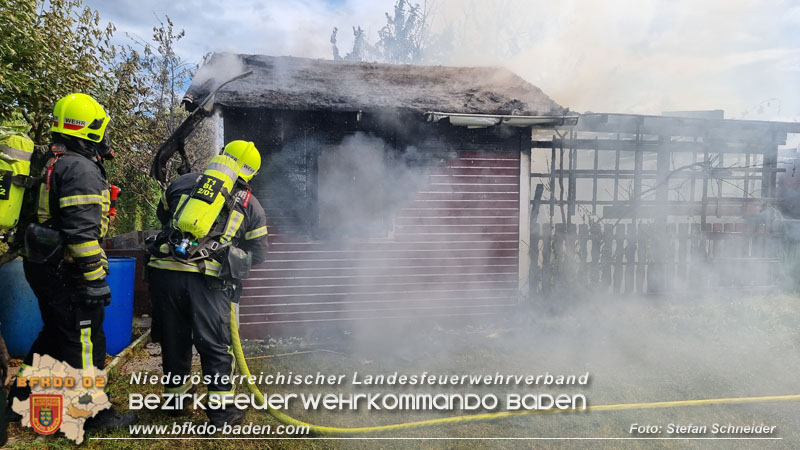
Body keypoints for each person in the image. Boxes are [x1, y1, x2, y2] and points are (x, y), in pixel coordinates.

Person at [8, 93, 137, 429]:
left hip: (40, 262)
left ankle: (20, 398)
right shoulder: (80, 168)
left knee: (54, 333)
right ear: (89, 130)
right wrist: (95, 279)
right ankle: (92, 414)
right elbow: (81, 235)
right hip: (67, 269)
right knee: (85, 340)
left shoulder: (49, 160)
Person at [147, 140, 268, 426]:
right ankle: (223, 412)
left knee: (174, 339)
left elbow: (163, 217)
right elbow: (259, 253)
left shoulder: (182, 182)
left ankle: (176, 401)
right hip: (208, 282)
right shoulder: (251, 204)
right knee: (215, 344)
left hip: (164, 274)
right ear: (250, 172)